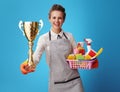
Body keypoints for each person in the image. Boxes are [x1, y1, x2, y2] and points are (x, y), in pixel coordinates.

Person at [20, 4, 84, 92]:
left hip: (74, 81)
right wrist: (26, 64)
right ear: (49, 19)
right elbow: (36, 57)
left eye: (60, 18)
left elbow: (78, 56)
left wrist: (88, 59)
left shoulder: (70, 36)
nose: (57, 21)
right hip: (56, 84)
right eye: (54, 18)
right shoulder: (44, 38)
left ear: (64, 20)